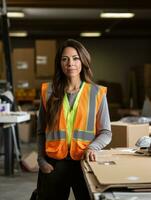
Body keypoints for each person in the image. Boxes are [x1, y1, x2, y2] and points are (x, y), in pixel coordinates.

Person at [36, 38, 112, 200]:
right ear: (59, 63)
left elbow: (106, 132)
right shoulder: (48, 92)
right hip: (53, 164)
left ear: (83, 61)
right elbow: (41, 131)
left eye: (75, 58)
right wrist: (41, 160)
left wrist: (93, 147)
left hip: (83, 164)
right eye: (65, 59)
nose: (70, 63)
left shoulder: (96, 93)